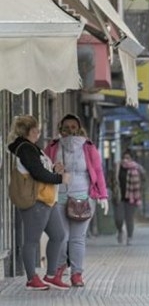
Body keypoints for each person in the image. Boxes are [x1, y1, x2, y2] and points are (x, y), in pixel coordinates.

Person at [43, 114, 109, 287]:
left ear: (79, 128)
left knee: (77, 238)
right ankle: (59, 270)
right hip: (59, 196)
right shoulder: (53, 146)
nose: (70, 130)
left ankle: (77, 274)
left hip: (83, 196)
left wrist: (102, 195)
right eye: (66, 126)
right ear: (60, 128)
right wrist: (52, 168)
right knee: (61, 236)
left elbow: (98, 171)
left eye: (73, 126)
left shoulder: (88, 147)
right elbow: (42, 167)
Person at [7, 115, 69, 290]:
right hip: (36, 200)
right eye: (36, 130)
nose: (39, 133)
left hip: (48, 199)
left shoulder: (33, 148)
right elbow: (37, 173)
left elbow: (41, 169)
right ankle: (31, 278)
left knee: (58, 235)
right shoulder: (25, 148)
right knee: (32, 240)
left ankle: (50, 275)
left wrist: (54, 169)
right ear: (27, 131)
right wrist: (59, 178)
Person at [116, 150, 145, 245]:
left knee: (129, 218)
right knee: (119, 218)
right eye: (124, 158)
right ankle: (120, 230)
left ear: (131, 159)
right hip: (119, 196)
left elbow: (143, 180)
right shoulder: (118, 167)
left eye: (128, 158)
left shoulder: (136, 168)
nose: (125, 160)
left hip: (132, 198)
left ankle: (129, 237)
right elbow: (112, 179)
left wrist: (139, 194)